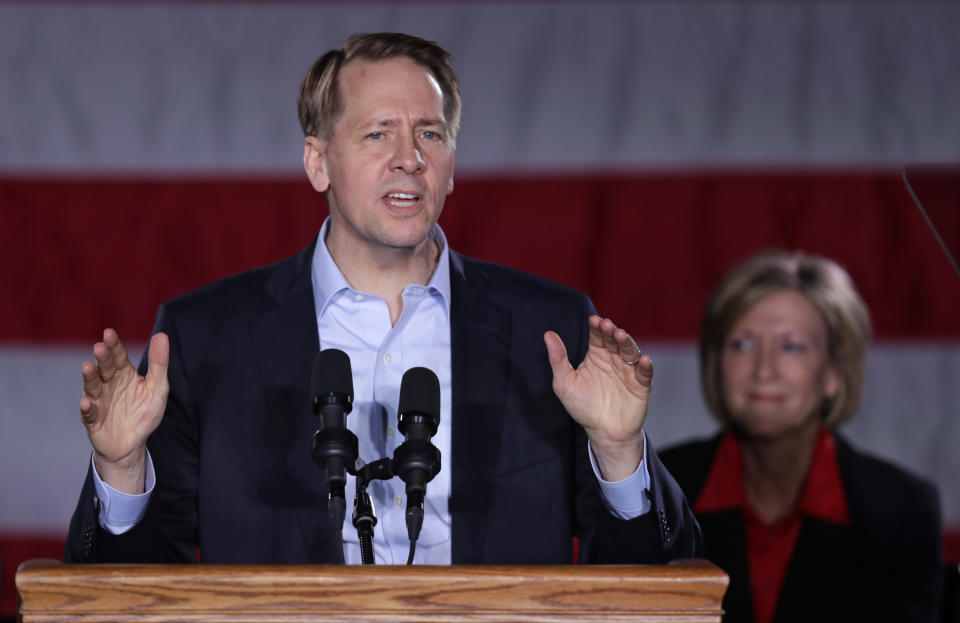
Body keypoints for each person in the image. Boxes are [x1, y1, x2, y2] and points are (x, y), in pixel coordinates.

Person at [65, 32, 701, 565]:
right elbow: (131, 593)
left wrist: (618, 454)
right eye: (377, 135)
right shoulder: (206, 337)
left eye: (429, 135)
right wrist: (122, 471)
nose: (409, 159)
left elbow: (656, 581)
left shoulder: (550, 330)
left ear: (451, 165)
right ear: (318, 162)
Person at [660, 250, 943, 623]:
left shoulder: (899, 508)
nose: (763, 371)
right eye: (741, 345)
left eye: (791, 346)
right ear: (716, 364)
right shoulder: (660, 490)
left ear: (833, 372)